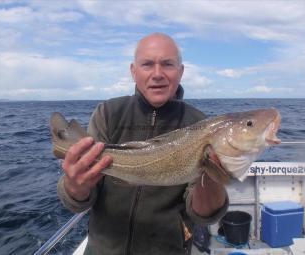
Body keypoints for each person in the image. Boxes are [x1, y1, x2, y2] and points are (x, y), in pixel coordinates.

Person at [57, 33, 229, 255]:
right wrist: (75, 186)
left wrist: (212, 175)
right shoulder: (108, 113)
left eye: (167, 64)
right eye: (147, 64)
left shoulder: (199, 124)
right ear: (133, 71)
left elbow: (204, 214)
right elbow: (79, 201)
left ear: (181, 71)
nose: (157, 74)